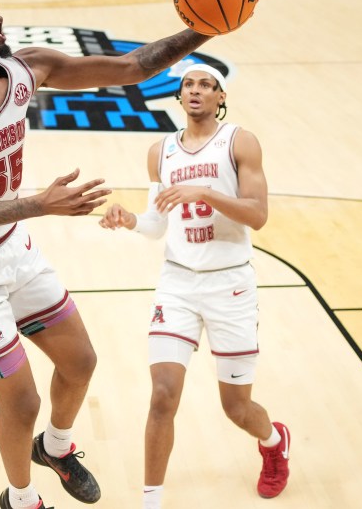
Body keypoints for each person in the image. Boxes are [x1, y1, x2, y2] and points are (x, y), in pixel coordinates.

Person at [0, 0, 216, 509]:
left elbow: (133, 66)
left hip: (11, 248)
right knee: (20, 402)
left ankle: (57, 446)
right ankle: (20, 498)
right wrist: (40, 204)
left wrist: (207, 26)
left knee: (81, 363)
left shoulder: (29, 68)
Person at [97, 63, 289, 508]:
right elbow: (155, 224)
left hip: (230, 286)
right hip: (178, 284)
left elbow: (257, 216)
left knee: (237, 408)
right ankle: (151, 501)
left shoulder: (239, 141)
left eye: (206, 84)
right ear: (179, 96)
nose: (196, 90)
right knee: (163, 395)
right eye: (188, 84)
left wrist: (203, 192)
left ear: (221, 96)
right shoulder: (160, 151)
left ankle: (274, 441)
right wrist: (129, 220)